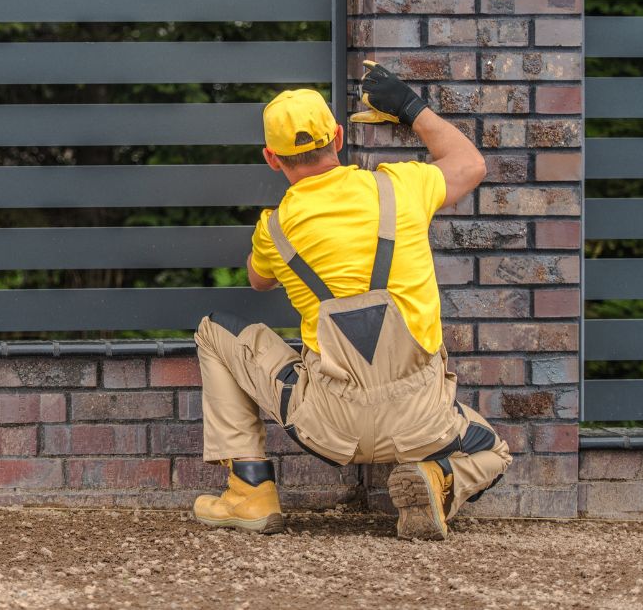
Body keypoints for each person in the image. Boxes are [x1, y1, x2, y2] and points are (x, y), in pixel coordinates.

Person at [191, 62, 512, 540]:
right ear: (338, 137)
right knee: (493, 452)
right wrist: (409, 107)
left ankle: (250, 490)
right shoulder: (400, 187)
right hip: (421, 423)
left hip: (328, 425)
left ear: (271, 158)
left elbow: (259, 282)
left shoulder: (274, 228)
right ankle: (438, 476)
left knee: (214, 331)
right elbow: (470, 165)